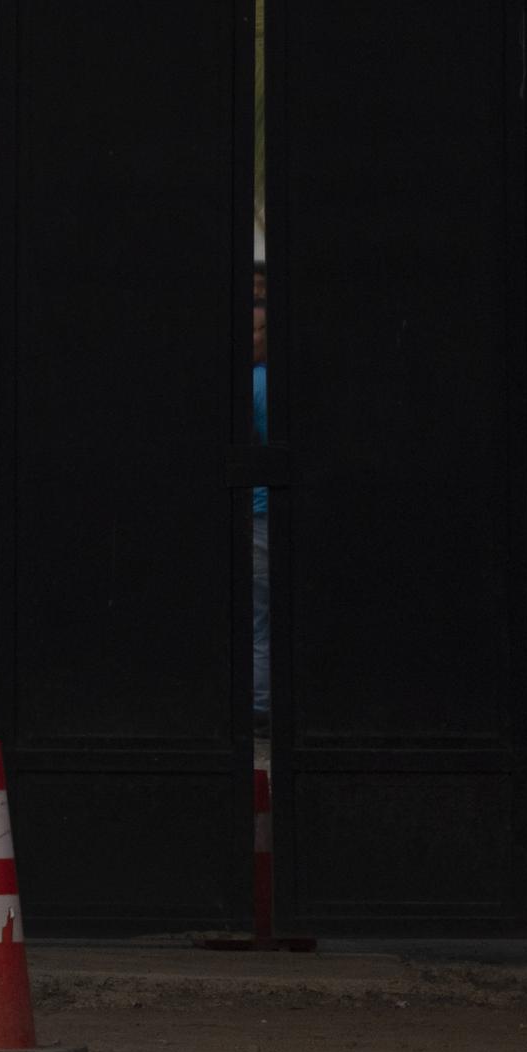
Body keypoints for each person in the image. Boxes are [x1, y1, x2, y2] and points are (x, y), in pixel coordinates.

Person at [250, 269, 271, 724]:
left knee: (259, 615)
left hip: (257, 510)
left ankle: (260, 706)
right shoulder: (267, 383)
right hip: (267, 508)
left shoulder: (251, 384)